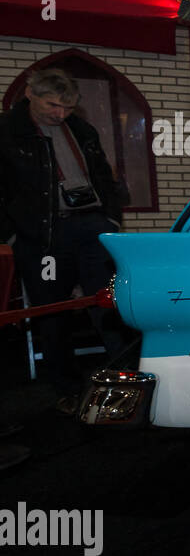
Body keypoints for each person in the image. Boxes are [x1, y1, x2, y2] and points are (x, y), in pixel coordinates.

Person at [0, 68, 124, 410]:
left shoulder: (82, 129)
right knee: (53, 311)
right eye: (52, 105)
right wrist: (13, 236)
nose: (59, 114)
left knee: (107, 301)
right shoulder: (7, 131)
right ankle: (66, 389)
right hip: (43, 237)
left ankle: (124, 379)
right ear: (30, 93)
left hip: (91, 228)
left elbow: (104, 177)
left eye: (67, 107)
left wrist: (110, 218)